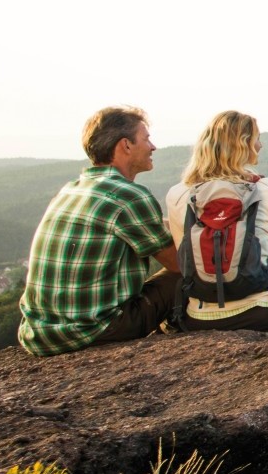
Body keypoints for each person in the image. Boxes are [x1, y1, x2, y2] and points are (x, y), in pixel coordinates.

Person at [19, 106, 183, 356]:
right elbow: (179, 264)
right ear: (126, 145)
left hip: (38, 334)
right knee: (181, 278)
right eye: (146, 139)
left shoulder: (71, 189)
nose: (153, 147)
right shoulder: (128, 196)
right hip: (94, 331)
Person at [165, 110, 268, 331]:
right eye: (257, 139)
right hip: (266, 310)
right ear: (244, 144)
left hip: (201, 315)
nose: (260, 146)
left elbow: (185, 255)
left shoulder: (178, 195)